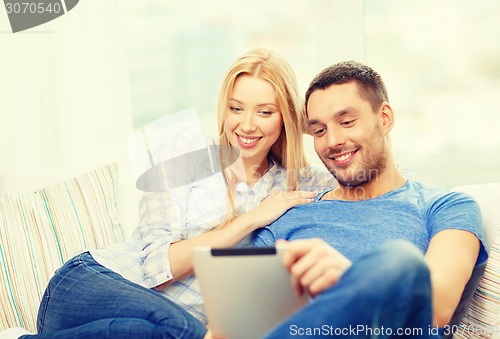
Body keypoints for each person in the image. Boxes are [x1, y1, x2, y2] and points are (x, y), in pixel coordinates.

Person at [23, 48, 336, 338]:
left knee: (169, 332)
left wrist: (312, 125)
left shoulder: (295, 184)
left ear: (286, 118)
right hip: (90, 285)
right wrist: (251, 219)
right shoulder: (185, 150)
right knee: (185, 330)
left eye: (265, 112)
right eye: (236, 108)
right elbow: (160, 267)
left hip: (144, 326)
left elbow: (359, 183)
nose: (247, 125)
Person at [246, 61, 487, 338]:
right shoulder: (290, 215)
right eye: (320, 131)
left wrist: (350, 279)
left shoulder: (446, 206)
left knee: (401, 262)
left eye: (347, 122)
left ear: (384, 118)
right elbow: (241, 313)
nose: (333, 141)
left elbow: (438, 307)